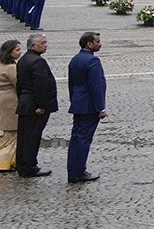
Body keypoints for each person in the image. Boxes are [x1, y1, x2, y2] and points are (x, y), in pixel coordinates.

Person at [65, 32, 107, 183]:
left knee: (76, 138)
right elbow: (96, 86)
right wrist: (101, 108)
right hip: (89, 107)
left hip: (78, 104)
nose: (100, 44)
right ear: (89, 44)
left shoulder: (75, 60)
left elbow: (72, 85)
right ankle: (78, 172)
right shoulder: (92, 61)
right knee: (83, 140)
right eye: (97, 42)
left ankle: (73, 170)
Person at [14, 34, 57, 178]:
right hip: (34, 104)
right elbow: (41, 85)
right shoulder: (38, 61)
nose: (46, 45)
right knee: (32, 137)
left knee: (24, 136)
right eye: (42, 43)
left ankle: (23, 164)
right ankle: (29, 167)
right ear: (33, 46)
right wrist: (42, 106)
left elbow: (19, 84)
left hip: (26, 102)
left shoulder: (23, 59)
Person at [0, 39, 20, 172]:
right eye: (17, 50)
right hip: (10, 102)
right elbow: (18, 84)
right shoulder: (11, 68)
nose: (20, 52)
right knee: (10, 135)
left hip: (2, 100)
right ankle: (4, 163)